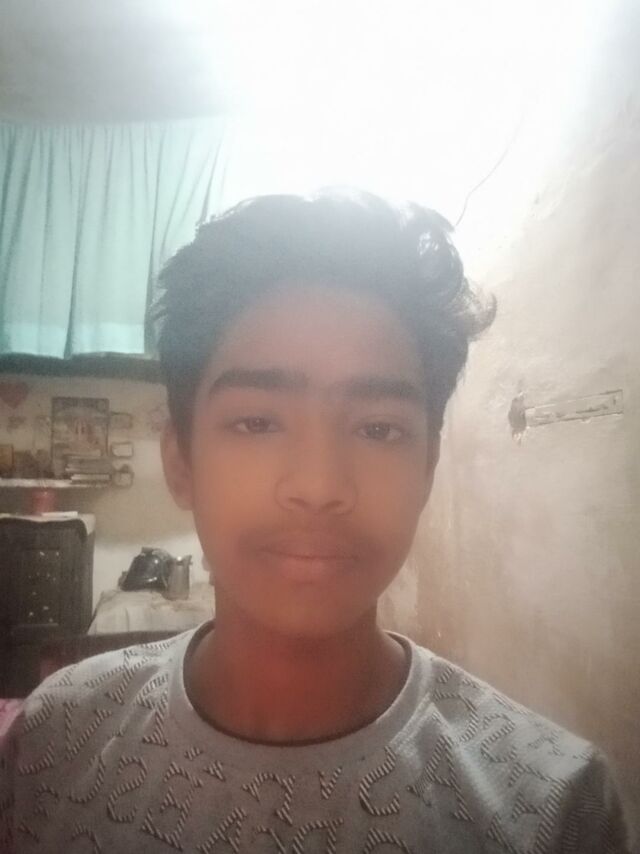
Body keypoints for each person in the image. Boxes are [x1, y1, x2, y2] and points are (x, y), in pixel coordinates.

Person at [0, 191, 631, 852]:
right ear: (181, 460)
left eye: (378, 429)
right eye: (257, 422)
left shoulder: (552, 805)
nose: (319, 487)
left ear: (427, 467)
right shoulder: (53, 745)